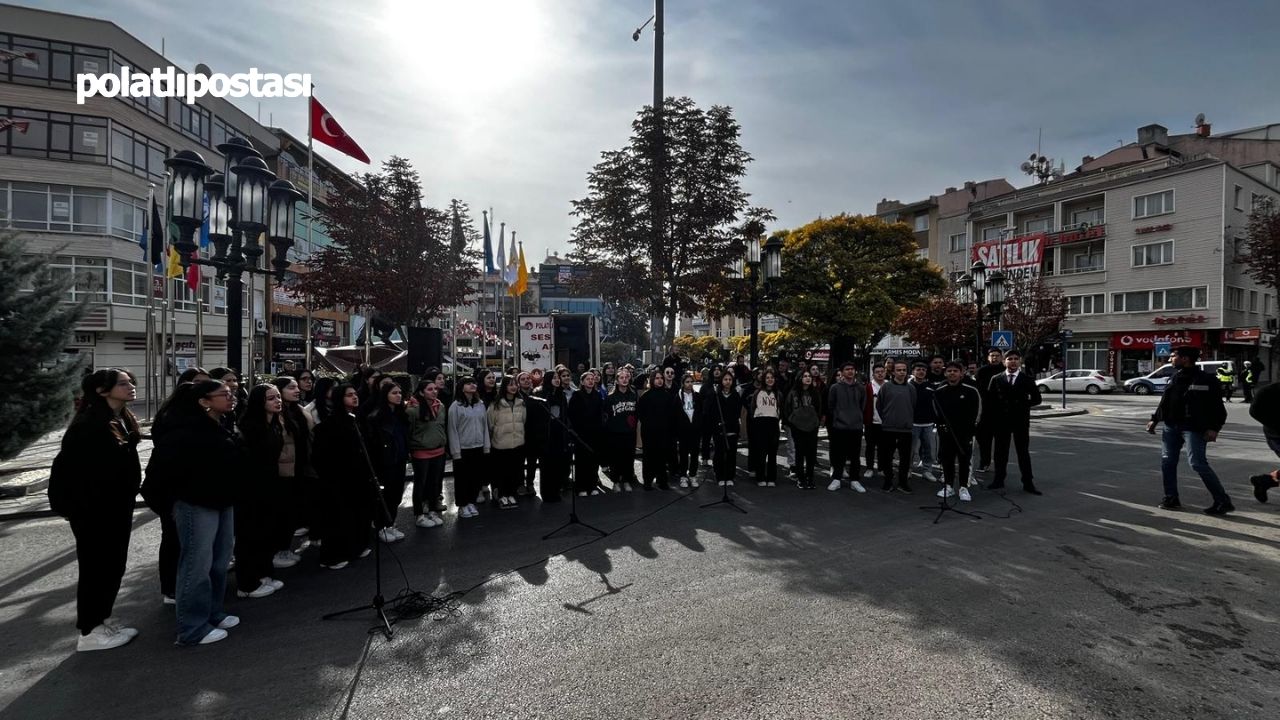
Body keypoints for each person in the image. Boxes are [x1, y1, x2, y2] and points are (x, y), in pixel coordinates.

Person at [145, 380, 245, 646]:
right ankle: (192, 627)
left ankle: (213, 612)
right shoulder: (183, 431)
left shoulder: (220, 425)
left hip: (223, 501)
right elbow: (158, 474)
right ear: (204, 401)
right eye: (223, 394)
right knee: (196, 565)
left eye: (230, 393)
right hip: (197, 503)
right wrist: (172, 505)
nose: (230, 397)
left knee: (219, 561)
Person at [49, 369, 142, 652]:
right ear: (102, 390)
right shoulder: (90, 425)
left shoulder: (119, 418)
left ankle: (101, 620)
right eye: (123, 384)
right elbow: (77, 474)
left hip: (115, 507)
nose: (131, 387)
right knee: (97, 568)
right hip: (96, 511)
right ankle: (89, 632)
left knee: (112, 566)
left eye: (130, 382)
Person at [1147, 347, 1232, 514]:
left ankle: (1222, 501)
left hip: (1194, 428)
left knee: (1197, 463)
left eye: (1173, 356)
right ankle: (1171, 498)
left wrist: (1214, 428)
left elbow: (1218, 408)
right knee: (1167, 462)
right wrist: (1155, 419)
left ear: (1185, 358)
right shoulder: (1175, 377)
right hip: (1171, 427)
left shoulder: (1206, 379)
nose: (1170, 359)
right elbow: (1165, 401)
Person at [235, 384, 288, 599]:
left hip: (270, 485)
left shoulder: (274, 424)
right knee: (250, 535)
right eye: (270, 398)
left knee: (267, 532)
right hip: (251, 489)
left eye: (277, 397)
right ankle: (247, 583)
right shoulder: (249, 427)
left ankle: (263, 573)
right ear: (259, 402)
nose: (277, 401)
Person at [313, 383, 374, 568]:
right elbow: (322, 455)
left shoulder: (354, 419)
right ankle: (332, 556)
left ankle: (354, 547)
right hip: (338, 479)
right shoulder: (330, 424)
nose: (354, 397)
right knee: (338, 517)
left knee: (356, 515)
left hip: (357, 477)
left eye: (355, 393)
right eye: (349, 395)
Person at [986, 350, 1042, 495]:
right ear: (1004, 361)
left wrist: (1022, 405)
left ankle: (1028, 482)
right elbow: (989, 400)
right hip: (1001, 421)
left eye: (1016, 359)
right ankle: (999, 480)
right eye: (1009, 359)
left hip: (1020, 421)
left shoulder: (1027, 379)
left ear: (1020, 361)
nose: (1013, 361)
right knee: (1000, 453)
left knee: (1023, 452)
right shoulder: (996, 379)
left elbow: (1037, 399)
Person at [271, 375, 315, 563]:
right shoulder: (274, 415)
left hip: (300, 468)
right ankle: (277, 551)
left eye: (297, 387)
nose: (296, 390)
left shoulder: (299, 411)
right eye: (290, 387)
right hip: (282, 472)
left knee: (292, 511)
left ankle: (284, 548)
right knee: (281, 513)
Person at [364, 381, 411, 541]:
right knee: (385, 495)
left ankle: (390, 524)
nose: (398, 396)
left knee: (396, 495)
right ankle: (382, 526)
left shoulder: (400, 415)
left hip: (399, 460)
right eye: (394, 393)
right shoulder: (376, 417)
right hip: (384, 463)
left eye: (399, 393)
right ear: (385, 395)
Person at [933, 361, 981, 502]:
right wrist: (941, 426)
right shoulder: (939, 392)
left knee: (964, 461)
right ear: (945, 373)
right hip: (946, 433)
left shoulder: (971, 391)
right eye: (949, 371)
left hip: (964, 434)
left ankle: (963, 487)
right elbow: (936, 411)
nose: (952, 373)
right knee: (947, 460)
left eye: (955, 371)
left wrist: (971, 430)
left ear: (961, 373)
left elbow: (976, 411)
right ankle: (948, 486)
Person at [447, 378, 491, 518]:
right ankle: (462, 505)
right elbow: (452, 430)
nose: (473, 385)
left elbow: (485, 427)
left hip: (478, 446)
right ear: (461, 387)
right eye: (468, 383)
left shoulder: (480, 404)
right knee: (462, 479)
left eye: (474, 383)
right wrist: (456, 452)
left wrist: (486, 446)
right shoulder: (455, 406)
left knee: (475, 477)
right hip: (463, 448)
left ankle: (471, 502)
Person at [407, 379, 448, 527]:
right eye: (430, 389)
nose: (434, 391)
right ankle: (419, 515)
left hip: (439, 449)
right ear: (421, 392)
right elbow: (409, 431)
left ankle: (432, 511)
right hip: (421, 451)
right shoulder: (412, 409)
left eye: (435, 389)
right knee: (420, 484)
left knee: (434, 483)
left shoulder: (441, 406)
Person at [876, 362, 917, 493]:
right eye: (898, 370)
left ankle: (903, 483)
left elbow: (913, 405)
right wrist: (887, 419)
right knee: (887, 457)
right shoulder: (886, 387)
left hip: (906, 429)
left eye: (904, 370)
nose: (901, 372)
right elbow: (879, 406)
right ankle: (888, 481)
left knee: (905, 458)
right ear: (893, 372)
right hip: (888, 429)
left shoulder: (911, 388)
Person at [487, 375, 528, 508]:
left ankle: (511, 493)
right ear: (504, 386)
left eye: (515, 384)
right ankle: (501, 495)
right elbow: (490, 424)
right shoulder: (495, 404)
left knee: (514, 471)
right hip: (500, 444)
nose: (514, 387)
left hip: (517, 444)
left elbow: (523, 421)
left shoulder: (521, 403)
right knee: (500, 472)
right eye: (510, 384)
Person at [636, 371, 678, 490]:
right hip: (649, 432)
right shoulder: (645, 396)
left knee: (662, 456)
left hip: (664, 432)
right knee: (649, 457)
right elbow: (641, 414)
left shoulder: (668, 396)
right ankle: (648, 481)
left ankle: (662, 480)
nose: (659, 380)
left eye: (661, 378)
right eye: (657, 378)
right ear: (652, 380)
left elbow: (672, 415)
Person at [534, 370, 571, 501]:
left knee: (557, 465)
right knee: (547, 467)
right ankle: (547, 493)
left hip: (559, 433)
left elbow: (565, 415)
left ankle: (556, 491)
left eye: (558, 377)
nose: (557, 380)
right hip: (546, 435)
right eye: (554, 377)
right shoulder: (540, 394)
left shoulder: (561, 395)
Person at [569, 370, 607, 495]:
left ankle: (592, 485)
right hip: (581, 434)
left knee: (593, 461)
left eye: (592, 379)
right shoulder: (577, 395)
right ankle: (581, 487)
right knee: (581, 461)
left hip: (595, 433)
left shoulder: (597, 395)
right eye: (588, 379)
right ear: (582, 382)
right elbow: (573, 415)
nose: (591, 381)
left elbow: (600, 414)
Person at [605, 367, 641, 491]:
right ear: (617, 380)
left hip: (629, 432)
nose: (624, 379)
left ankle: (626, 480)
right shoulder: (610, 397)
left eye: (626, 377)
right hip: (615, 433)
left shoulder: (633, 394)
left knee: (628, 457)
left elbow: (637, 413)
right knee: (615, 458)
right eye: (621, 377)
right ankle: (615, 481)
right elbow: (606, 416)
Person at [785, 371, 823, 490]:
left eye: (809, 376)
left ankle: (810, 477)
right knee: (799, 452)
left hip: (812, 427)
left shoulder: (815, 393)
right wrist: (792, 422)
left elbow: (819, 408)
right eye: (805, 376)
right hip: (797, 427)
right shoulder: (793, 393)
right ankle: (801, 478)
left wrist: (816, 422)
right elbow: (787, 408)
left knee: (811, 453)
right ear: (799, 378)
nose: (807, 378)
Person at [745, 370, 782, 487]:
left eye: (772, 377)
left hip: (773, 424)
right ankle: (760, 477)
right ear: (764, 380)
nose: (770, 380)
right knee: (761, 453)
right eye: (767, 378)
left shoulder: (778, 394)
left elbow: (780, 409)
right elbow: (752, 409)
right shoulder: (757, 392)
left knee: (772, 454)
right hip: (760, 424)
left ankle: (771, 478)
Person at [707, 371, 744, 487]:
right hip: (719, 428)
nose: (728, 382)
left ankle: (730, 476)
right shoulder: (716, 395)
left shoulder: (735, 395)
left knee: (731, 453)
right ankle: (720, 476)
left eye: (730, 380)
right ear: (721, 381)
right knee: (719, 453)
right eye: (725, 379)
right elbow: (711, 412)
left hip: (732, 427)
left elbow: (737, 411)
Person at [1248, 381, 1280, 502]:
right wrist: (1276, 425)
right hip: (1276, 436)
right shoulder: (1269, 391)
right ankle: (1265, 481)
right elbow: (1254, 411)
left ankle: (1264, 482)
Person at [974, 349, 1005, 472]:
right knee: (983, 441)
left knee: (1001, 442)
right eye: (992, 356)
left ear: (1001, 357)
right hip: (985, 411)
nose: (995, 358)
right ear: (988, 357)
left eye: (997, 356)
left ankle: (999, 465)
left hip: (1001, 412)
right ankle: (984, 463)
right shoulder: (982, 371)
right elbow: (977, 390)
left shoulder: (1005, 370)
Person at [909, 363, 939, 483]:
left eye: (923, 370)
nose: (921, 372)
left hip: (928, 423)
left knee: (930, 450)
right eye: (918, 369)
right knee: (910, 450)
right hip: (912, 424)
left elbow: (936, 405)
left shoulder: (931, 387)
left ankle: (927, 470)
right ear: (913, 371)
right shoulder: (908, 386)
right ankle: (908, 469)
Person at [673, 373, 703, 489]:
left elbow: (700, 412)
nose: (689, 384)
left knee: (695, 454)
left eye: (691, 382)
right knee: (684, 454)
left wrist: (699, 426)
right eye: (687, 382)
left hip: (695, 430)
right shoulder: (678, 397)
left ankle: (693, 475)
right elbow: (675, 415)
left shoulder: (697, 396)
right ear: (683, 383)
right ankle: (683, 476)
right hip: (683, 430)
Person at [863, 365, 887, 482]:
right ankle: (869, 468)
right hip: (871, 422)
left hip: (886, 423)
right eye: (877, 372)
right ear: (873, 374)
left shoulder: (889, 385)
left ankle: (882, 468)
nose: (880, 374)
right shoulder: (868, 387)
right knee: (870, 447)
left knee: (884, 447)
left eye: (882, 372)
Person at [699, 366, 723, 466]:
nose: (717, 372)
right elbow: (700, 401)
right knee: (706, 438)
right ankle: (705, 457)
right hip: (707, 416)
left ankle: (717, 459)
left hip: (719, 416)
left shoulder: (723, 384)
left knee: (718, 439)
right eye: (715, 370)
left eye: (719, 370)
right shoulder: (706, 386)